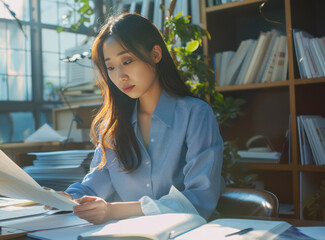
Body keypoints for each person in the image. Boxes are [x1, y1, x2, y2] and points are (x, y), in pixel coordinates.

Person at [61, 13, 224, 225]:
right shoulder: (114, 125)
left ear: (156, 54)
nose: (120, 76)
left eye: (127, 61)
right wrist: (64, 198)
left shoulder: (195, 114)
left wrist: (114, 211)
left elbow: (200, 199)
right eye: (110, 67)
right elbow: (93, 186)